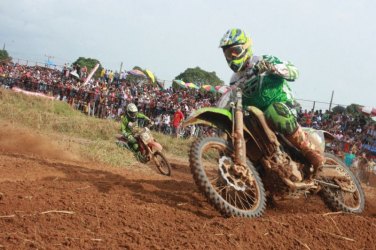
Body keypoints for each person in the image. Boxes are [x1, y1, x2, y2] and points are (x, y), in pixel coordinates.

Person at [219, 28, 324, 179]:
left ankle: (311, 152)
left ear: (245, 47)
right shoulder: (234, 79)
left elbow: (294, 71)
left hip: (282, 105)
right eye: (228, 54)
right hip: (257, 116)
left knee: (274, 111)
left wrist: (274, 68)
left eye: (235, 51)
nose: (232, 56)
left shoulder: (263, 60)